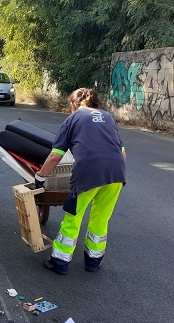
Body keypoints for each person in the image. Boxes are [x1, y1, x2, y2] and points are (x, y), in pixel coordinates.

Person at [35, 87, 126, 275]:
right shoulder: (107, 117)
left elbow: (55, 156)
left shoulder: (74, 118)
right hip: (116, 173)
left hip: (89, 172)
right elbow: (122, 152)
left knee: (73, 217)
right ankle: (93, 261)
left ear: (72, 104)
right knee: (101, 218)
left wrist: (40, 176)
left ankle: (59, 262)